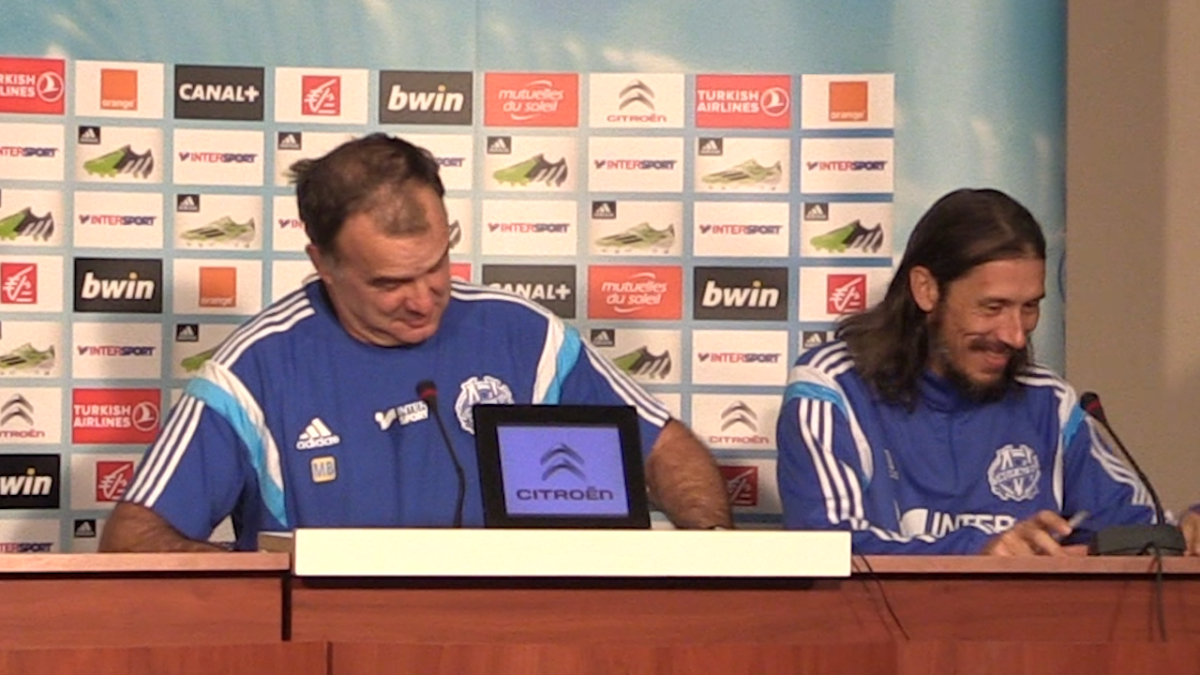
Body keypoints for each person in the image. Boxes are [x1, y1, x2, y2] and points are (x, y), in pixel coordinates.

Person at [101, 133, 731, 552]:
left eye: (436, 267)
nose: (424, 298)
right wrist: (256, 586)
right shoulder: (256, 368)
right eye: (389, 283)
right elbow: (135, 535)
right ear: (323, 264)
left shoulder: (524, 336)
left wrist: (711, 555)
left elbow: (665, 449)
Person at [777, 188, 1196, 555]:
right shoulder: (834, 388)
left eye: (1029, 307)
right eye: (992, 307)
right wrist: (977, 550)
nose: (1015, 335)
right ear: (926, 290)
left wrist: (1188, 529)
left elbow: (1139, 530)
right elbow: (826, 546)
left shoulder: (1048, 403)